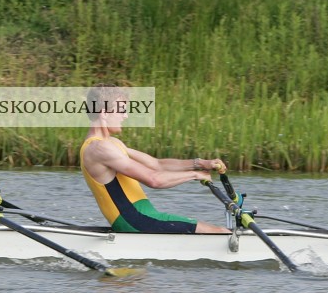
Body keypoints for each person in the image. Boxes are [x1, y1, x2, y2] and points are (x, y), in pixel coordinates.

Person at [79, 84, 229, 233]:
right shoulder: (99, 149)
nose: (126, 116)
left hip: (143, 217)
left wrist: (200, 163)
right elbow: (154, 179)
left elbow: (157, 165)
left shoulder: (112, 144)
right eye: (121, 110)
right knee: (221, 232)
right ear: (104, 113)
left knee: (215, 231)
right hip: (136, 220)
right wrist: (195, 175)